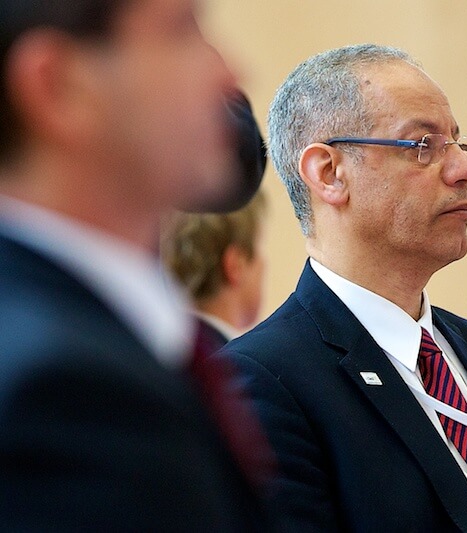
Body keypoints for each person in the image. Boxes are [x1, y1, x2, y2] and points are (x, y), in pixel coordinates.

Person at [221, 44, 467, 532]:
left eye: (459, 143)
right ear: (329, 174)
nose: (465, 169)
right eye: (424, 146)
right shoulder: (260, 384)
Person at [0, 0, 271, 529]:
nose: (231, 74)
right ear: (58, 87)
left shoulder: (109, 337)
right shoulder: (59, 392)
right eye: (180, 31)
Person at [162, 188, 268, 352]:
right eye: (260, 248)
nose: (264, 264)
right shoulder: (235, 362)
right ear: (236, 265)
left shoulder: (162, 349)